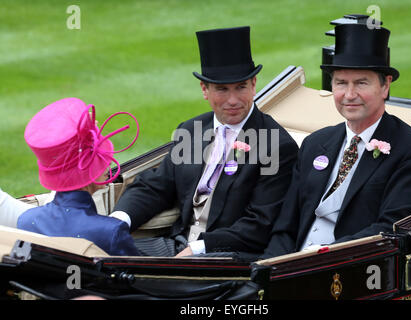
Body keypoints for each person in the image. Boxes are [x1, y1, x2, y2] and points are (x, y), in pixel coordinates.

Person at [111, 26, 298, 258]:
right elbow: (156, 186)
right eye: (222, 89)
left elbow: (260, 224)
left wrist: (198, 249)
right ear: (204, 90)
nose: (233, 100)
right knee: (104, 258)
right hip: (175, 245)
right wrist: (118, 221)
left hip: (227, 258)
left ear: (254, 85)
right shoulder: (191, 130)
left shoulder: (277, 146)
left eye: (241, 87)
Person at [262, 23, 411, 258]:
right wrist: (269, 269)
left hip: (350, 272)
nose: (350, 95)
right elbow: (284, 227)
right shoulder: (315, 143)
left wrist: (322, 258)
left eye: (361, 83)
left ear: (385, 86)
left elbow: (391, 230)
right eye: (341, 83)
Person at [17, 97, 140, 256]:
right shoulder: (111, 232)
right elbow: (142, 278)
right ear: (87, 172)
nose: (107, 163)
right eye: (100, 157)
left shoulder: (26, 221)